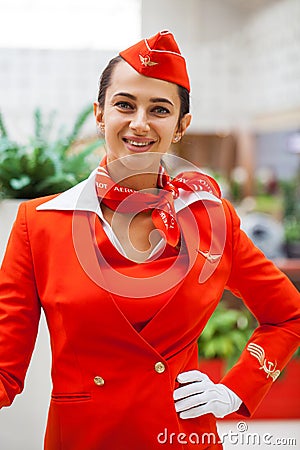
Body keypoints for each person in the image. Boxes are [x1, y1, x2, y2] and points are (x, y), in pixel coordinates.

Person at [0, 30, 299, 450]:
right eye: (125, 104)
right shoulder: (39, 223)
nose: (139, 123)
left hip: (180, 436)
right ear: (100, 113)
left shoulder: (213, 220)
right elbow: (4, 370)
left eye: (159, 109)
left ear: (180, 126)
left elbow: (289, 315)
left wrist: (235, 390)